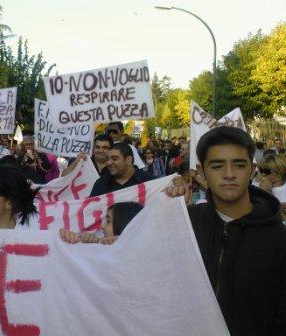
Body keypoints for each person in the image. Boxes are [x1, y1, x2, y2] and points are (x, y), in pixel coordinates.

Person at [165, 126, 286, 336]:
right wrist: (166, 214)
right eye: (217, 165)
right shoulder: (183, 227)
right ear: (202, 171)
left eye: (239, 165)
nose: (229, 174)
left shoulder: (280, 240)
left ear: (252, 168)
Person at [59, 201, 143, 245]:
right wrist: (75, 240)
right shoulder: (97, 244)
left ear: (125, 224)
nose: (102, 226)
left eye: (108, 221)